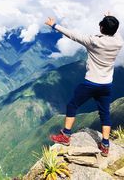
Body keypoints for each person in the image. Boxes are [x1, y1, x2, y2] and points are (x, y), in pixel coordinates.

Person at [45, 14, 123, 157]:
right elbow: (115, 32)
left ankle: (66, 135)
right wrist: (110, 21)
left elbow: (73, 35)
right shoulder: (118, 42)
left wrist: (54, 25)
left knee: (72, 105)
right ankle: (105, 145)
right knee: (104, 114)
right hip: (106, 84)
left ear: (101, 28)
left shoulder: (93, 41)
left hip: (90, 83)